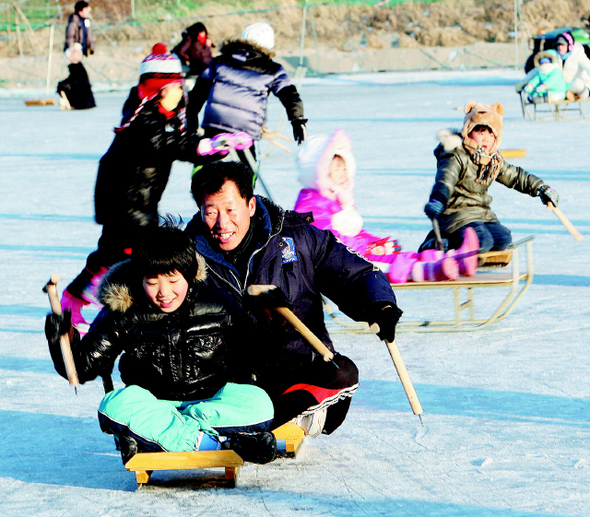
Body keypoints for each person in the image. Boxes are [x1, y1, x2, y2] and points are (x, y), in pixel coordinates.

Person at [185, 160, 403, 437]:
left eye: (230, 209)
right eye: (210, 211)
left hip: (296, 370)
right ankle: (262, 423)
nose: (222, 223)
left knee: (342, 373)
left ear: (250, 206)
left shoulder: (299, 239)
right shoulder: (186, 256)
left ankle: (258, 427)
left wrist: (379, 304)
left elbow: (355, 273)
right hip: (229, 381)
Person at [45, 220, 277, 464]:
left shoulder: (220, 302)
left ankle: (177, 436)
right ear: (140, 279)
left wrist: (273, 321)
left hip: (211, 404)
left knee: (259, 402)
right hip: (154, 407)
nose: (164, 293)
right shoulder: (123, 312)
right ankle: (217, 444)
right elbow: (81, 368)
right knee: (114, 406)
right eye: (152, 282)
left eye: (173, 281)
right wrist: (63, 337)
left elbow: (259, 355)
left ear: (189, 274)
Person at [60, 43, 223, 331]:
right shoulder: (145, 118)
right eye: (176, 87)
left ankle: (73, 300)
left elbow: (175, 140)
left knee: (108, 255)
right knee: (143, 257)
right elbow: (167, 144)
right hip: (129, 203)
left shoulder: (151, 113)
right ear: (160, 90)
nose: (181, 92)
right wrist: (206, 146)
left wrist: (214, 146)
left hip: (130, 200)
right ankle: (129, 311)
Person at [294, 129, 480, 283]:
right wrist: (366, 248)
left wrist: (374, 242)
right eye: (336, 168)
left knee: (401, 256)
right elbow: (327, 241)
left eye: (344, 167)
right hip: (339, 265)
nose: (343, 173)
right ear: (321, 172)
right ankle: (435, 270)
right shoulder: (312, 204)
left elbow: (353, 235)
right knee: (391, 265)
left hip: (352, 256)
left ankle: (457, 258)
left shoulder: (334, 199)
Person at [419, 101, 560, 254]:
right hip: (455, 215)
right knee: (482, 241)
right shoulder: (456, 154)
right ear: (468, 131)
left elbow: (515, 176)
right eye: (480, 132)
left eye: (490, 133)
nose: (485, 139)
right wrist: (438, 199)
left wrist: (540, 188)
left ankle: (465, 245)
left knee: (502, 239)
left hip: (480, 213)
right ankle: (438, 244)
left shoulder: (492, 159)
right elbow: (446, 179)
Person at [186, 22, 307, 170]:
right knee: (248, 171)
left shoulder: (219, 62)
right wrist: (297, 119)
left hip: (215, 125)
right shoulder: (272, 69)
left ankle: (201, 181)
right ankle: (247, 185)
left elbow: (197, 95)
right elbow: (289, 94)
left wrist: (191, 124)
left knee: (205, 168)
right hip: (246, 130)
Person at [57, 42, 96, 110]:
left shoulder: (77, 67)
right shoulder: (77, 66)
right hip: (85, 99)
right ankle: (67, 102)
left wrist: (63, 84)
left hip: (84, 101)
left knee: (64, 86)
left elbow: (75, 79)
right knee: (63, 86)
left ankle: (70, 103)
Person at [555, 32, 590, 99]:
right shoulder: (555, 56)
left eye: (562, 45)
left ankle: (573, 94)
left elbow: (588, 67)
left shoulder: (578, 54)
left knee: (579, 84)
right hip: (562, 86)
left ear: (569, 46)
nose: (560, 47)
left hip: (578, 85)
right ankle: (568, 94)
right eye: (558, 45)